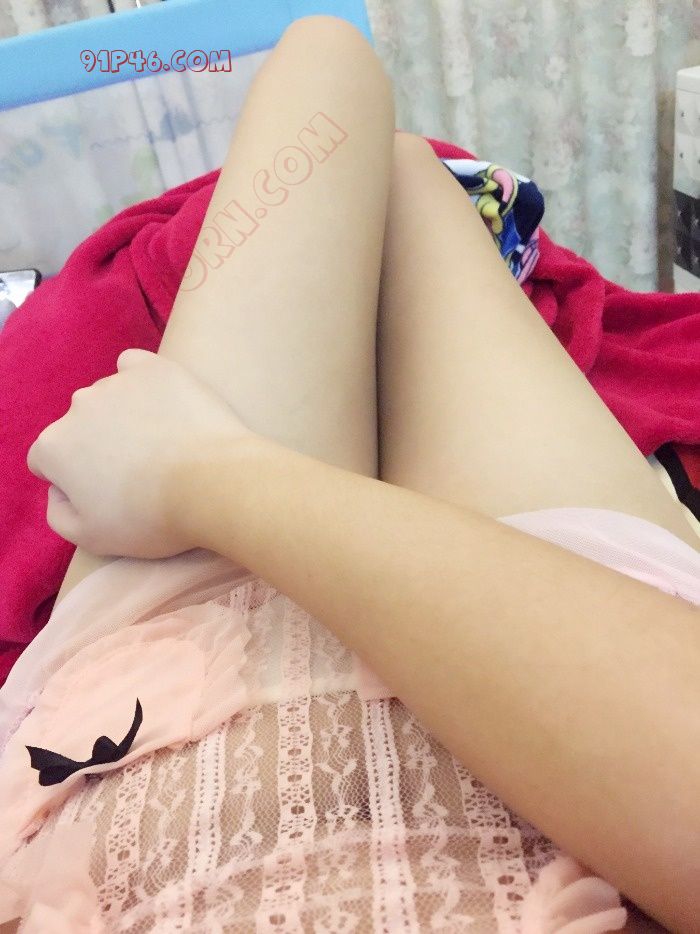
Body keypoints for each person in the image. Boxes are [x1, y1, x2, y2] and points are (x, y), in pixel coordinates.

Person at [22, 15, 700, 932]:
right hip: (575, 634)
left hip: (156, 681)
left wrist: (196, 473)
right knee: (391, 149)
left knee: (330, 67)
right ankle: (439, 222)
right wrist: (201, 472)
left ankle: (429, 227)